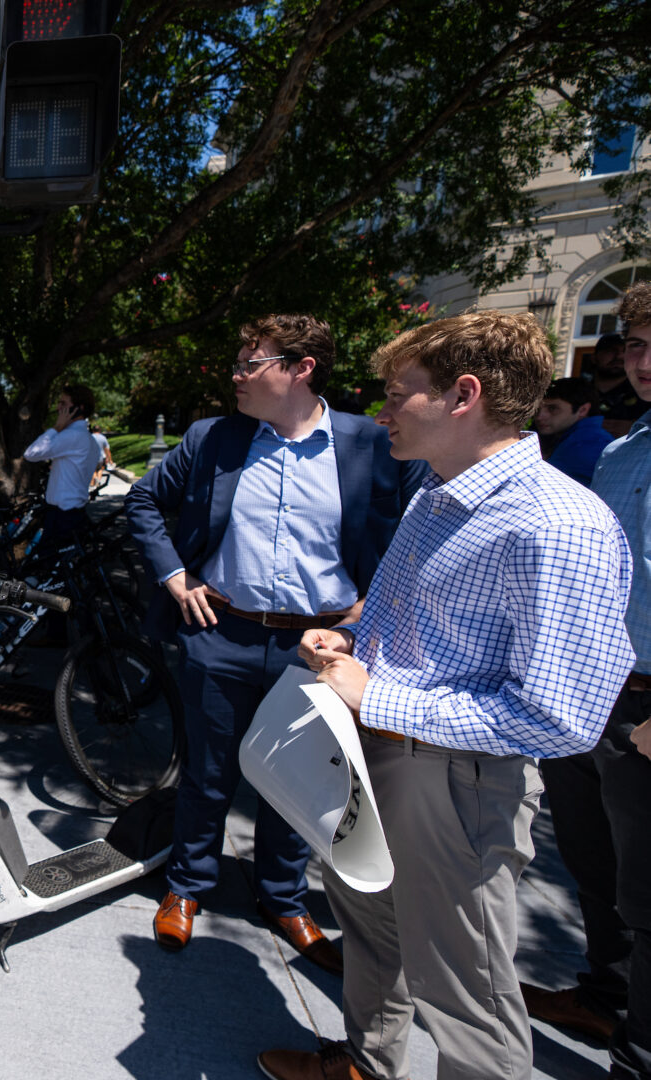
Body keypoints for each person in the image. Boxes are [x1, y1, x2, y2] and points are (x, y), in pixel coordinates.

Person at [259, 310, 636, 1080]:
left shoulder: (557, 524)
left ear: (463, 396)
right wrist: (350, 642)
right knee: (373, 935)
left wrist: (382, 702)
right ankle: (367, 1066)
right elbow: (406, 622)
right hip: (381, 761)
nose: (382, 410)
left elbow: (562, 717)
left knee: (464, 992)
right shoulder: (437, 494)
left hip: (455, 782)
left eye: (399, 394)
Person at [124, 313, 424, 973]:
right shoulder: (214, 439)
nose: (236, 374)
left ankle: (283, 898)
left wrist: (370, 612)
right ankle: (187, 886)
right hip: (221, 634)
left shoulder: (372, 444)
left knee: (296, 782)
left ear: (301, 368)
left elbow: (416, 536)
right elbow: (144, 502)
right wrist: (176, 578)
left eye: (249, 362)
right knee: (208, 775)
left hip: (322, 649)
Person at [523, 281, 651, 1079]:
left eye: (650, 345)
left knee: (648, 895)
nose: (640, 362)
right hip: (595, 695)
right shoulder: (620, 449)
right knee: (592, 861)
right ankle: (604, 997)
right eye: (633, 346)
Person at [22, 382, 104, 546]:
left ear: (78, 409)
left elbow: (31, 454)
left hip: (61, 515)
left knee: (48, 565)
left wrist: (56, 428)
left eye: (64, 404)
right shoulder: (90, 440)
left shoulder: (71, 436)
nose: (59, 408)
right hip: (75, 512)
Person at [534, 376, 613, 484]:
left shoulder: (586, 444)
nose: (539, 416)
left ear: (582, 410)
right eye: (537, 409)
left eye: (552, 408)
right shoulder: (586, 438)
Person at [592, 333, 645, 436]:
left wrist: (638, 428)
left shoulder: (645, 393)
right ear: (594, 358)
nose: (619, 356)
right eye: (610, 351)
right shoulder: (578, 392)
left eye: (625, 351)